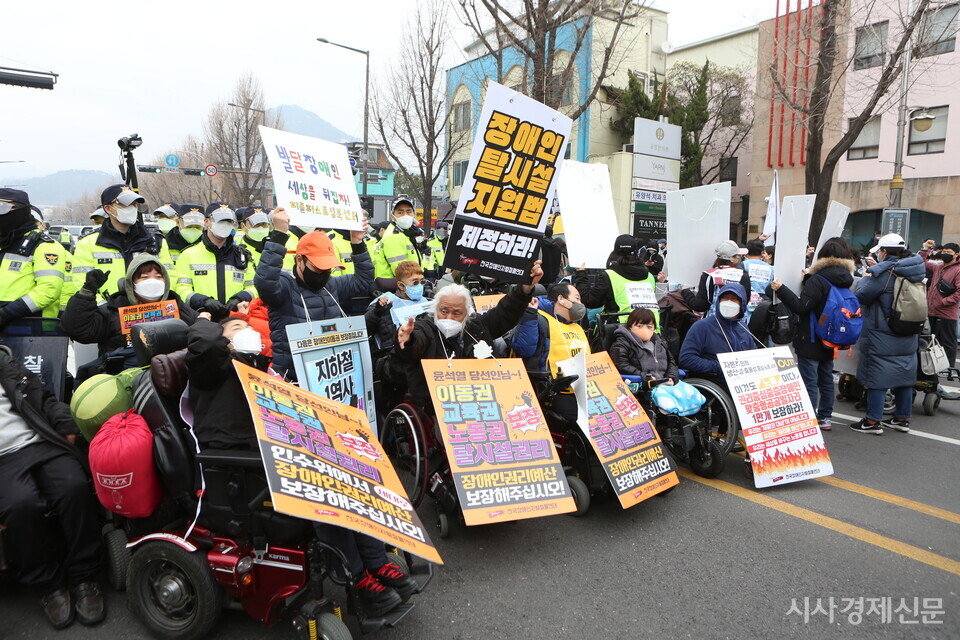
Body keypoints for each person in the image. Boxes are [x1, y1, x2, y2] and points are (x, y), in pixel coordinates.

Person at [183, 317, 415, 616]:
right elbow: (205, 344)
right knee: (327, 488)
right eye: (236, 329)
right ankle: (357, 581)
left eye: (248, 327)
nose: (247, 332)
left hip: (276, 450)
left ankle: (375, 562)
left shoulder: (259, 367)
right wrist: (206, 320)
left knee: (355, 469)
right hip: (243, 467)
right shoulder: (211, 371)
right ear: (223, 342)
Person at [0, 346, 104, 629]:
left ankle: (85, 576)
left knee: (74, 487)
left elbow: (43, 398)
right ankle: (49, 585)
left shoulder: (5, 365)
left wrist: (64, 421)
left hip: (39, 442)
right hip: (2, 460)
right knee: (21, 506)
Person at [394, 261, 543, 408]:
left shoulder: (477, 325)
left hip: (483, 398)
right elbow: (415, 344)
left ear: (467, 313)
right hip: (439, 404)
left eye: (457, 313)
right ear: (436, 309)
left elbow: (506, 312)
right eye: (444, 311)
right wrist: (408, 340)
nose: (449, 317)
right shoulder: (425, 327)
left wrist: (524, 288)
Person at [254, 207, 373, 381]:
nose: (323, 273)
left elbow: (364, 282)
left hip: (329, 375)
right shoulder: (285, 287)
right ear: (299, 260)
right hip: (292, 377)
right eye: (318, 267)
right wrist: (279, 235)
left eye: (328, 268)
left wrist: (357, 242)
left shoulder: (331, 285)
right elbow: (265, 283)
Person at [62, 254, 199, 375]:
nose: (152, 282)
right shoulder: (113, 309)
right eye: (144, 277)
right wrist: (87, 291)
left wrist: (205, 317)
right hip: (122, 380)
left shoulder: (177, 307)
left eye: (158, 277)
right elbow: (78, 329)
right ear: (132, 284)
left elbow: (201, 336)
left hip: (172, 377)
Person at [771, 238, 857, 431]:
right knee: (826, 380)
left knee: (809, 381)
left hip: (810, 337)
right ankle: (825, 417)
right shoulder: (845, 278)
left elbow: (802, 307)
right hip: (830, 338)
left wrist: (781, 289)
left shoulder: (818, 280)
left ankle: (808, 419)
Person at [850, 233, 925, 435]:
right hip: (908, 329)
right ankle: (902, 418)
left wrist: (866, 277)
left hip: (882, 333)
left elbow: (862, 296)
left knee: (877, 376)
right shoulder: (915, 269)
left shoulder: (884, 273)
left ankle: (873, 421)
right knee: (904, 376)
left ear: (883, 251)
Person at [510, 282, 590, 422]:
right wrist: (528, 316)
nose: (580, 304)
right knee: (585, 416)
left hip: (584, 388)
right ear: (561, 299)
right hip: (553, 389)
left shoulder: (576, 326)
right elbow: (524, 350)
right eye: (577, 298)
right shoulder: (538, 319)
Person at [73, 185, 173, 297]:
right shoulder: (88, 243)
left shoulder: (155, 242)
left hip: (148, 310)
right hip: (106, 311)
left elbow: (170, 278)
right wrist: (104, 309)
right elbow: (81, 283)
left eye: (134, 204)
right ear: (108, 209)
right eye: (125, 204)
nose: (132, 208)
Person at [174, 204, 256, 321]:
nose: (225, 225)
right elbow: (181, 289)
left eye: (228, 221)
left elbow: (253, 287)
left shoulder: (242, 256)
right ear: (206, 222)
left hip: (235, 319)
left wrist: (239, 299)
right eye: (220, 221)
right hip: (203, 319)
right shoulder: (188, 255)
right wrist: (204, 301)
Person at [0, 188, 66, 328]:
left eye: (2, 207)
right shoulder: (5, 243)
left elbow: (48, 290)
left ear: (20, 211)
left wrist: (6, 313)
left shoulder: (45, 246)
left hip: (32, 330)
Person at [679, 282, 756, 384]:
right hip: (715, 382)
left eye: (734, 299)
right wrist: (720, 367)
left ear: (742, 303)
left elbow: (754, 356)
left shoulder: (743, 328)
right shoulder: (702, 327)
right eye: (725, 298)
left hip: (742, 382)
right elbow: (686, 359)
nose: (729, 302)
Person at [573, 234, 658, 324]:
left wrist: (581, 274)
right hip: (652, 330)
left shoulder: (609, 276)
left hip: (620, 331)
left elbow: (589, 301)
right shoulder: (650, 276)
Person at [365, 260, 427, 351]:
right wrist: (377, 312)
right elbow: (365, 329)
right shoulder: (384, 302)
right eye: (415, 282)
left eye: (422, 281)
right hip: (394, 353)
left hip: (423, 350)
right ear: (401, 286)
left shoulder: (426, 302)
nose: (420, 286)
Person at [683, 240, 752, 319]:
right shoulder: (743, 275)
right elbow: (744, 302)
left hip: (713, 325)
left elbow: (700, 305)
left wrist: (685, 291)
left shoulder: (709, 275)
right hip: (737, 324)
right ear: (732, 258)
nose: (739, 258)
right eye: (738, 256)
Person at [610, 307, 679, 383]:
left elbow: (671, 363)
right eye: (639, 326)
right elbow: (621, 365)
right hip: (642, 386)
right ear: (630, 326)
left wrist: (671, 377)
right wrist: (644, 376)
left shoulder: (660, 342)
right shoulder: (622, 343)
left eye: (649, 327)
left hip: (664, 383)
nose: (645, 330)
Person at [923, 242, 960, 370]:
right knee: (935, 341)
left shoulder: (958, 270)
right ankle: (936, 366)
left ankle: (948, 368)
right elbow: (924, 263)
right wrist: (925, 249)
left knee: (948, 342)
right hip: (933, 312)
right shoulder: (939, 267)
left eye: (949, 252)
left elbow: (959, 293)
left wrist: (943, 302)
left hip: (947, 314)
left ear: (957, 254)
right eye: (944, 251)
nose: (945, 254)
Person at [374, 196, 424, 278]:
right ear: (392, 217)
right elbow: (402, 274)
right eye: (400, 212)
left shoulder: (405, 234)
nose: (405, 215)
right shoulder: (394, 236)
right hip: (396, 287)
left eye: (409, 212)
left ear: (413, 214)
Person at [741, 238, 775, 320]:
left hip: (747, 300)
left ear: (747, 251)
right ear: (762, 252)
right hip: (764, 303)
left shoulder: (743, 265)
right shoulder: (771, 268)